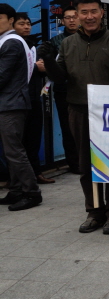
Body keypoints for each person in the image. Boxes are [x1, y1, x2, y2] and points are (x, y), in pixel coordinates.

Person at [41, 0, 109, 234]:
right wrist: (47, 60)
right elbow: (61, 77)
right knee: (86, 166)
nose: (89, 16)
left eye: (93, 11)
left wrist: (105, 100)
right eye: (84, 12)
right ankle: (95, 211)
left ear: (102, 13)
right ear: (77, 15)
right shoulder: (68, 43)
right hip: (79, 110)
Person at [0, 4, 41, 211]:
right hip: (10, 103)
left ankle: (32, 192)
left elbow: (1, 76)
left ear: (10, 20)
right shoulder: (9, 41)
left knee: (15, 151)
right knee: (12, 150)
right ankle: (16, 189)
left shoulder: (11, 43)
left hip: (11, 103)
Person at [38, 6, 80, 174]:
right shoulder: (56, 41)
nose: (71, 20)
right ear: (62, 21)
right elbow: (43, 56)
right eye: (68, 17)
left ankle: (87, 160)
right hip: (63, 90)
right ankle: (74, 163)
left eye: (74, 17)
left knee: (86, 127)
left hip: (85, 90)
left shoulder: (87, 38)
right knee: (67, 127)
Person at [13, 14, 52, 186]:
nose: (27, 27)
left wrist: (44, 68)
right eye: (21, 24)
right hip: (17, 100)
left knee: (34, 138)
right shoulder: (11, 45)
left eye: (28, 24)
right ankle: (17, 179)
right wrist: (35, 68)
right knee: (17, 142)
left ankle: (36, 172)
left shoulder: (32, 45)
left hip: (34, 98)